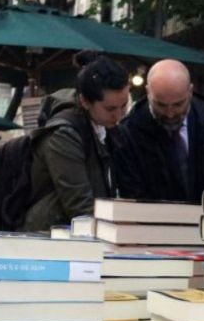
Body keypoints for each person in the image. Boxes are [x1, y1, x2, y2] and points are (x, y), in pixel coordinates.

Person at [22, 51, 130, 231]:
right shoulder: (63, 134)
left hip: (78, 235)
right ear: (85, 101)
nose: (118, 115)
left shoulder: (105, 128)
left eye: (124, 105)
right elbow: (80, 206)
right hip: (51, 238)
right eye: (110, 108)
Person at [116, 59, 204, 203]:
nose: (170, 113)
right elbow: (132, 195)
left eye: (178, 104)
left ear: (190, 91)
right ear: (148, 92)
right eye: (161, 105)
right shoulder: (129, 133)